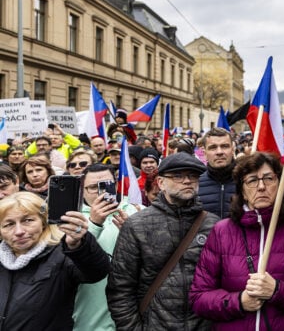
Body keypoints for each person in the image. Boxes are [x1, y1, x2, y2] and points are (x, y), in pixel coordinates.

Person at [189, 152, 284, 330]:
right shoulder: (222, 232)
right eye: (252, 180)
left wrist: (278, 290)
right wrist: (239, 302)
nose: (261, 187)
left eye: (269, 179)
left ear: (280, 185)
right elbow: (199, 298)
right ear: (243, 191)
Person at [106, 152, 220, 330]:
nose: (187, 181)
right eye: (178, 176)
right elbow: (120, 289)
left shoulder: (214, 225)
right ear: (160, 183)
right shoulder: (137, 226)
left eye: (192, 176)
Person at [0, 191, 110, 329]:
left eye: (27, 220)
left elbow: (96, 272)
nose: (19, 231)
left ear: (44, 221)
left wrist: (79, 245)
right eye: (8, 224)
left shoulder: (62, 254)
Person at [73, 164, 139, 331]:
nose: (99, 192)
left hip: (132, 308)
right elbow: (68, 258)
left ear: (115, 185)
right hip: (90, 312)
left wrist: (134, 234)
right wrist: (94, 223)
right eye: (93, 187)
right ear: (83, 189)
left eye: (105, 185)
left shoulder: (136, 212)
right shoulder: (73, 217)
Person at [198, 128, 236, 219]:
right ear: (204, 153)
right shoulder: (195, 184)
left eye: (225, 146)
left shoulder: (247, 181)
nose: (219, 152)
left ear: (233, 150)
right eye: (213, 147)